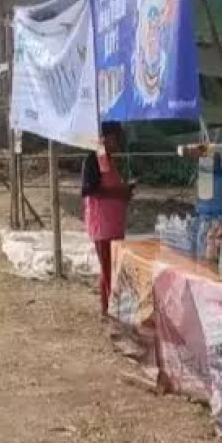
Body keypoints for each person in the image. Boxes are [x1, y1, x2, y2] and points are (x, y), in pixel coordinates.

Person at [82, 122, 134, 317]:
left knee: (112, 267)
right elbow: (89, 189)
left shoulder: (109, 160)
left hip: (114, 224)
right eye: (116, 137)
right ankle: (111, 311)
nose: (118, 141)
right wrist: (118, 192)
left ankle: (109, 308)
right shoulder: (93, 159)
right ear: (105, 138)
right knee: (108, 268)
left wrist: (124, 192)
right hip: (102, 225)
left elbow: (111, 187)